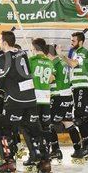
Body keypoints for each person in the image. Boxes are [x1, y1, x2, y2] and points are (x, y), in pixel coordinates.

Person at [0, 31, 51, 173]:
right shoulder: (23, 53)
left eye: (0, 40)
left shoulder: (3, 58)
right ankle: (44, 162)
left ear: (5, 43)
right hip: (31, 98)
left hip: (15, 99)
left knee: (2, 127)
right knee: (34, 129)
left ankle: (8, 162)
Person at [57, 32, 88, 161]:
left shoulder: (83, 51)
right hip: (77, 87)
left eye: (73, 41)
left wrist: (61, 55)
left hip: (83, 87)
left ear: (80, 42)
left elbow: (73, 64)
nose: (71, 43)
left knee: (81, 117)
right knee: (83, 117)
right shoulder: (75, 52)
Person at [46, 44, 83, 163]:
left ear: (49, 54)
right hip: (68, 97)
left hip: (58, 97)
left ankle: (56, 150)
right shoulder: (64, 63)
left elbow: (50, 79)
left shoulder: (54, 63)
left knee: (49, 123)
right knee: (68, 123)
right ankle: (78, 150)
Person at [27, 38, 54, 169]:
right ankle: (46, 157)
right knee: (45, 128)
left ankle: (34, 156)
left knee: (33, 128)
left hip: (35, 98)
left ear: (34, 47)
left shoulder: (31, 60)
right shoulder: (49, 61)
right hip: (46, 98)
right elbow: (51, 78)